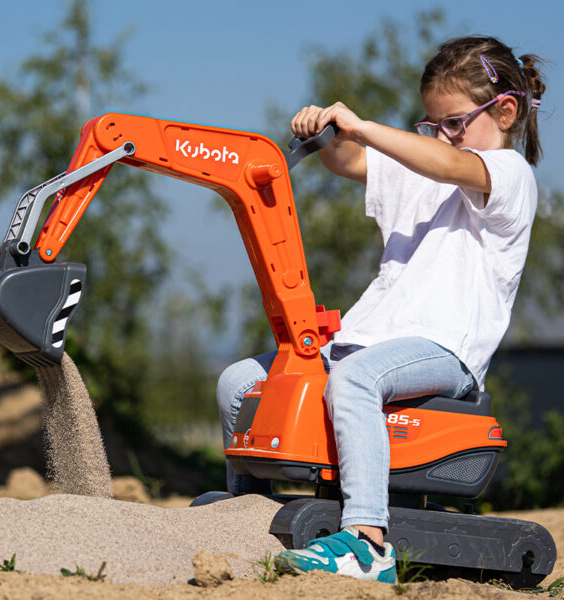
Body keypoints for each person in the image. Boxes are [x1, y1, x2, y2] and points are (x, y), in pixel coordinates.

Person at [216, 35, 546, 582]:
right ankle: (253, 508)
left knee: (353, 380)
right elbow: (350, 161)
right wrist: (326, 132)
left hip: (444, 349)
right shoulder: (422, 174)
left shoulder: (508, 176)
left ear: (505, 110)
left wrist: (366, 124)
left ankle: (367, 541)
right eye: (433, 123)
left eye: (454, 122)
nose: (442, 134)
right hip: (366, 339)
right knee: (240, 381)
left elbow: (450, 164)